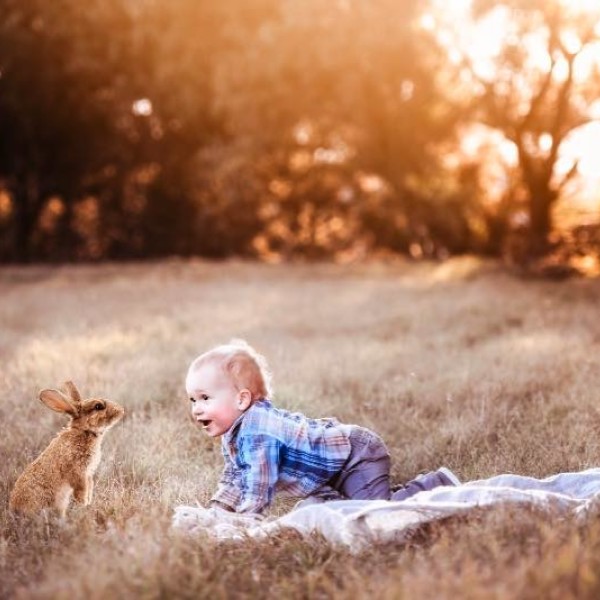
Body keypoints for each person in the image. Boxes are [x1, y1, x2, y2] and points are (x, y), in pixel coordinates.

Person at [186, 339, 460, 515]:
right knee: (346, 510)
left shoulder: (258, 431)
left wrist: (245, 520)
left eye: (205, 398)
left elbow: (259, 482)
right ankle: (379, 491)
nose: (196, 408)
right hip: (328, 473)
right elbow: (236, 475)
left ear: (241, 398)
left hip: (355, 456)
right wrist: (218, 509)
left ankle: (436, 483)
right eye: (193, 400)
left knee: (377, 512)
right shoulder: (235, 433)